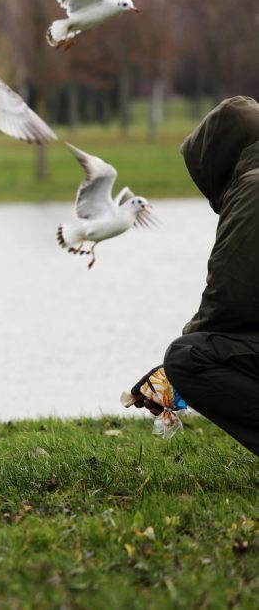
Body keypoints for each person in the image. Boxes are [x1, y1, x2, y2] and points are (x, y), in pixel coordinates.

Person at [136, 96, 259, 457]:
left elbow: (232, 296)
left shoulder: (254, 187)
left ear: (218, 155)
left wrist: (170, 373)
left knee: (188, 357)